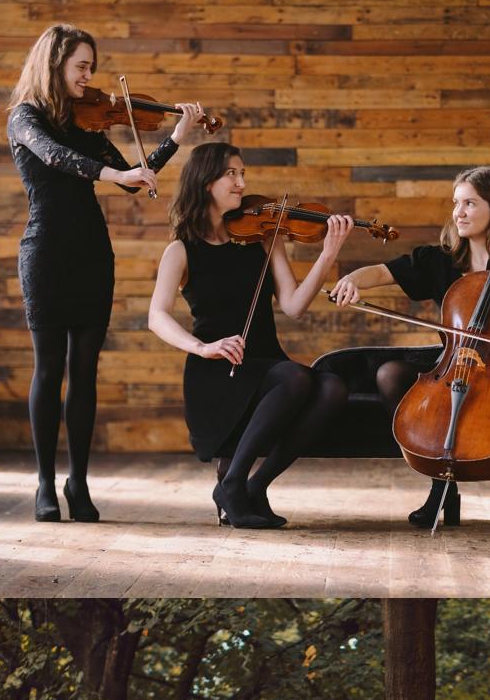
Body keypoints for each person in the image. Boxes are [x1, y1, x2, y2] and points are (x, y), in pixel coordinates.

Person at [8, 24, 202, 523]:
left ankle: (80, 482)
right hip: (46, 253)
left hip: (93, 253)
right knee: (50, 369)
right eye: (81, 67)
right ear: (55, 65)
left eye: (91, 67)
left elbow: (137, 178)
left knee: (86, 372)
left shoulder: (89, 121)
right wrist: (113, 174)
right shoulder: (25, 117)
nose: (89, 76)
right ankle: (45, 484)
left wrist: (176, 139)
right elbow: (56, 157)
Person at [330, 166, 490, 529]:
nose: (459, 212)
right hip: (454, 360)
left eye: (470, 203)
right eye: (456, 203)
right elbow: (381, 272)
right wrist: (351, 281)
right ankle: (442, 487)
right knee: (389, 374)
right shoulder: (442, 258)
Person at [146, 143, 351, 529]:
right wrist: (203, 347)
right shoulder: (181, 250)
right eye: (232, 174)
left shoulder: (262, 239)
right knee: (295, 375)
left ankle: (252, 487)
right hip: (219, 371)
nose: (242, 183)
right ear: (206, 182)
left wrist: (327, 254)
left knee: (333, 388)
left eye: (243, 174)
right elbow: (157, 316)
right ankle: (233, 484)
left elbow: (293, 305)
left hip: (267, 366)